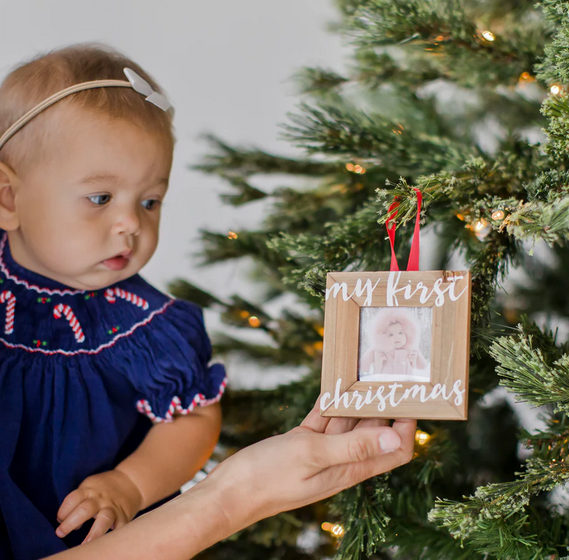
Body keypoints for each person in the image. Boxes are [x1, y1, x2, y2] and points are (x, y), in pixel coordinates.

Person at [0, 45, 227, 559]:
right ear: (8, 199)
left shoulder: (142, 324)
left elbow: (192, 419)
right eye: (100, 198)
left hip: (85, 536)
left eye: (150, 201)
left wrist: (131, 484)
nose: (131, 224)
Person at [43, 405, 416, 560]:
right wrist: (233, 499)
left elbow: (194, 409)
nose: (129, 231)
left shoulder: (148, 315)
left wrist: (132, 483)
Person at [360, 308, 428, 380]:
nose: (397, 337)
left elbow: (422, 366)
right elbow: (363, 364)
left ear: (408, 334)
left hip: (406, 386)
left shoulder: (411, 350)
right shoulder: (380, 351)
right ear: (383, 337)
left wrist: (415, 358)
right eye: (391, 335)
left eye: (400, 333)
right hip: (385, 385)